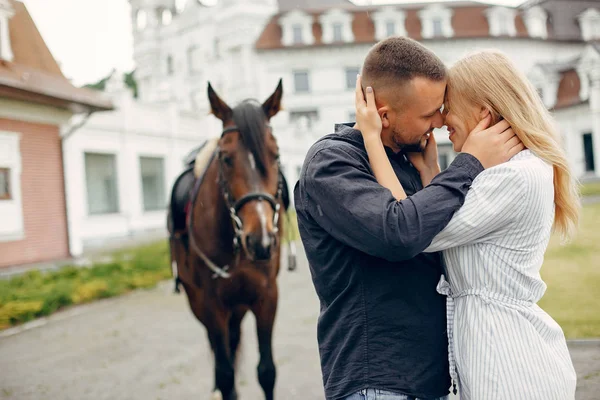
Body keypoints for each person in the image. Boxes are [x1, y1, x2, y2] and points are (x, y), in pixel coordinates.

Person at [294, 37, 524, 400]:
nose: (440, 120)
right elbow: (398, 232)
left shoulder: (409, 161)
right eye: (429, 113)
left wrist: (432, 171)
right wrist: (469, 164)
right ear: (384, 115)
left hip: (428, 382)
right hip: (377, 383)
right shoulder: (332, 163)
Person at [356, 50, 579, 399]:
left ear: (483, 113)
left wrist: (372, 139)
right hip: (496, 356)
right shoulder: (506, 173)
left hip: (513, 366)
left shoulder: (514, 177)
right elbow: (440, 218)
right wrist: (431, 173)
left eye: (448, 105)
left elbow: (415, 229)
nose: (442, 121)